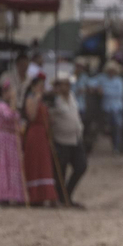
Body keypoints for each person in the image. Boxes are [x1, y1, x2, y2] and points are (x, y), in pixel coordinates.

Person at [20, 75, 59, 206]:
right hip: (34, 134)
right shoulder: (31, 98)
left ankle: (46, 195)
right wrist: (37, 98)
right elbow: (31, 116)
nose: (42, 88)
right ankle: (34, 195)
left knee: (44, 164)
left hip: (43, 134)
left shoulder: (43, 101)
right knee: (35, 163)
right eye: (40, 86)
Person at [50, 76, 87, 206]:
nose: (67, 87)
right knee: (61, 170)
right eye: (63, 84)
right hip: (61, 139)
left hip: (76, 138)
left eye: (68, 84)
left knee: (81, 166)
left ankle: (67, 193)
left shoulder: (72, 96)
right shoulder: (54, 100)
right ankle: (62, 197)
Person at [0, 94, 27, 205]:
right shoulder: (0, 105)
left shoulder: (10, 107)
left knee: (14, 166)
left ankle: (14, 194)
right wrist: (13, 105)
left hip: (12, 138)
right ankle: (2, 194)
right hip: (3, 137)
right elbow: (9, 116)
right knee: (3, 164)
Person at [96, 60, 123, 153]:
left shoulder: (119, 81)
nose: (111, 72)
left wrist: (104, 92)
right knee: (105, 128)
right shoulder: (102, 79)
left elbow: (118, 94)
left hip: (116, 108)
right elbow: (92, 82)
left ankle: (116, 148)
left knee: (117, 127)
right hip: (106, 108)